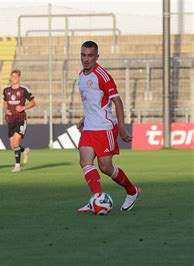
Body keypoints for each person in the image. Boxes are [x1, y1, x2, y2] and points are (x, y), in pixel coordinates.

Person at [76, 41, 141, 213]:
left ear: (97, 56)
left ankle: (132, 191)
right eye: (83, 55)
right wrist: (84, 118)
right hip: (89, 127)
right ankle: (97, 199)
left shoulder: (102, 76)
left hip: (105, 128)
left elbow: (117, 101)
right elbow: (93, 102)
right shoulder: (81, 76)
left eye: (90, 55)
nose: (86, 59)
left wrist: (121, 127)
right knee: (85, 161)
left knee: (105, 167)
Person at [2, 69, 35, 172]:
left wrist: (23, 108)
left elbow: (33, 102)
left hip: (20, 119)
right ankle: (24, 150)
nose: (14, 79)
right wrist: (6, 110)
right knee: (13, 146)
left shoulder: (23, 90)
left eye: (16, 77)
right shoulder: (6, 90)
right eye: (12, 77)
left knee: (16, 143)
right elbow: (5, 101)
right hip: (10, 120)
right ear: (10, 78)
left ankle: (17, 166)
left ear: (19, 78)